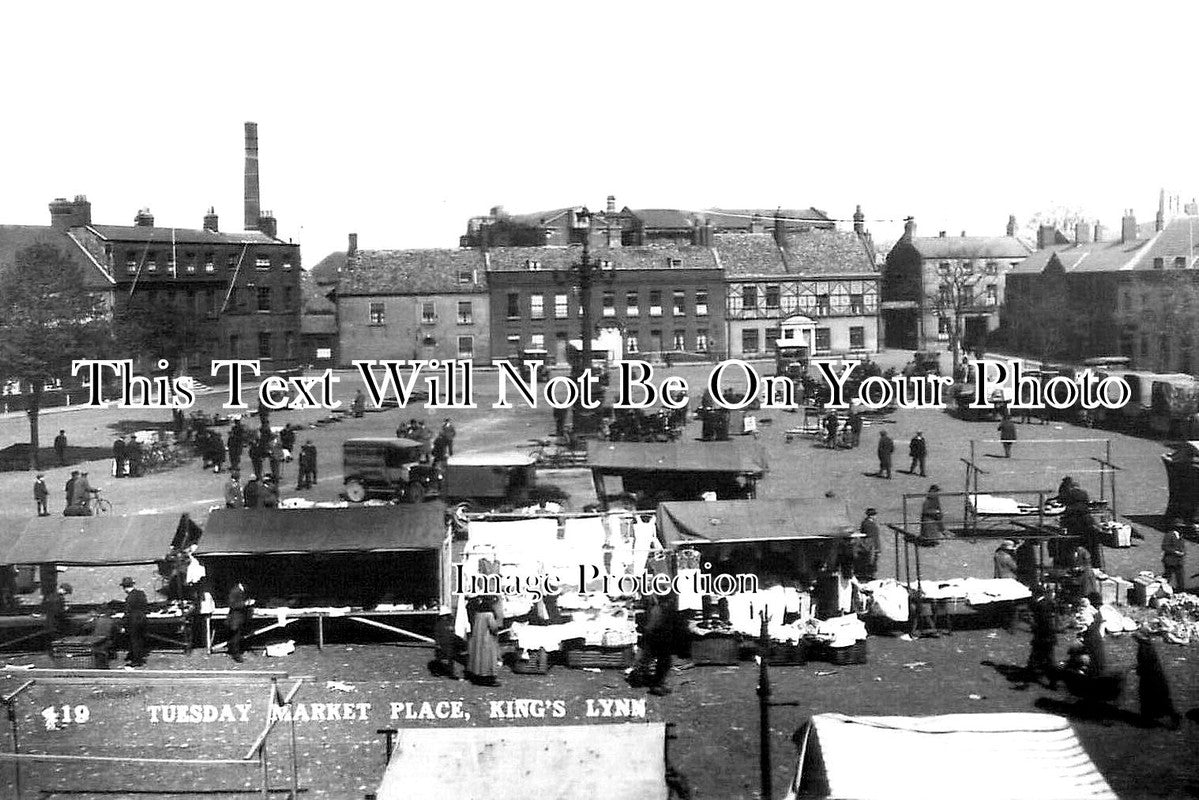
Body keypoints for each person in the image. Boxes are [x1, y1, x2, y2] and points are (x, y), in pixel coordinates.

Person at [634, 593, 678, 696]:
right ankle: (657, 683)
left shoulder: (660, 605)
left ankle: (655, 680)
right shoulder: (657, 606)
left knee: (659, 658)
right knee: (662, 658)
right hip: (657, 630)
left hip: (660, 628)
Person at [1135, 632, 1181, 729]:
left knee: (1152, 698)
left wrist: (1139, 669)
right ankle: (1150, 719)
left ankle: (1151, 719)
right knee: (1159, 698)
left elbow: (1146, 663)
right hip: (1154, 676)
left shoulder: (1144, 648)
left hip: (1151, 678)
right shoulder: (1148, 646)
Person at [465, 595, 503, 686]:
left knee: (478, 658)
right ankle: (488, 679)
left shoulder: (477, 614)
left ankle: (477, 677)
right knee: (487, 660)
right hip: (487, 640)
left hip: (477, 638)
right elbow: (493, 627)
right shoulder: (489, 615)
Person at [1026, 586, 1059, 689]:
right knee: (1039, 656)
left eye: (1033, 593)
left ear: (1036, 593)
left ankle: (1053, 681)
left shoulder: (1041, 605)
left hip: (1044, 636)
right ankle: (1032, 674)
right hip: (1047, 635)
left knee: (1049, 659)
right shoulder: (1047, 602)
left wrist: (1033, 624)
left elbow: (1044, 623)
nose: (1032, 595)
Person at [120, 576, 148, 667]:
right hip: (142, 619)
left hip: (133, 621)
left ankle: (136, 660)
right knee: (140, 639)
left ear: (124, 588)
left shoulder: (129, 598)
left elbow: (127, 612)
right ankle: (137, 655)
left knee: (134, 640)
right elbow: (145, 606)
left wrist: (123, 625)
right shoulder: (141, 593)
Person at [226, 582, 252, 663]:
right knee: (235, 637)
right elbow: (232, 604)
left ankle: (237, 653)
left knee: (238, 636)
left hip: (240, 618)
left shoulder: (241, 590)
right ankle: (236, 655)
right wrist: (245, 603)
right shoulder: (235, 591)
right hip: (235, 618)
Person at [857, 508, 881, 581]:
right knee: (871, 562)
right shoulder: (869, 524)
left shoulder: (867, 523)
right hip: (871, 546)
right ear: (871, 515)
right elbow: (873, 537)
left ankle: (870, 575)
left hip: (871, 545)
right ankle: (869, 576)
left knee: (872, 562)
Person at [1162, 528, 1186, 593]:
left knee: (1180, 578)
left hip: (1179, 561)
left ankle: (1180, 591)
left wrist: (1183, 552)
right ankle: (1164, 590)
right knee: (1167, 577)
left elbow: (1182, 546)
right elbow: (1164, 547)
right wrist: (1175, 552)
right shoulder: (1169, 535)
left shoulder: (1181, 536)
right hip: (1170, 561)